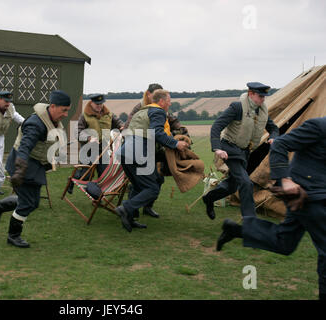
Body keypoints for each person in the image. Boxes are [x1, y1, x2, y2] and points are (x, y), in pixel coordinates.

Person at [215, 117, 326, 300]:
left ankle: (237, 230)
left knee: (284, 243)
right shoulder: (319, 126)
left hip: (317, 194)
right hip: (305, 195)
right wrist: (285, 180)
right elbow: (280, 144)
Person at [0, 90, 71, 248]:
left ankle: (0, 206)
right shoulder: (36, 124)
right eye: (64, 110)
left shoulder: (51, 120)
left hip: (34, 165)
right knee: (29, 203)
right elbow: (25, 147)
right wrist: (20, 171)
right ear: (53, 106)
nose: (65, 114)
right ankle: (13, 236)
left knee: (32, 202)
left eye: (67, 110)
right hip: (23, 165)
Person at [202, 82, 279, 219]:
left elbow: (274, 128)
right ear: (251, 94)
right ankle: (250, 220)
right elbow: (216, 126)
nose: (263, 99)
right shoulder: (237, 107)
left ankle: (209, 198)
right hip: (230, 149)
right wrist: (217, 148)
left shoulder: (262, 110)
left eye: (264, 96)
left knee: (233, 186)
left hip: (245, 152)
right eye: (260, 96)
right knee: (246, 182)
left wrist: (273, 137)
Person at [116, 89, 189, 232]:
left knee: (138, 186)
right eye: (169, 101)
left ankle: (130, 218)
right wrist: (176, 144)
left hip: (125, 153)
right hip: (138, 153)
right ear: (161, 101)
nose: (169, 104)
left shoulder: (142, 111)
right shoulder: (158, 112)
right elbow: (156, 132)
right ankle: (126, 208)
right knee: (152, 187)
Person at [67, 93, 123, 194]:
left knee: (104, 174)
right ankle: (72, 179)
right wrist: (89, 138)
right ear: (91, 103)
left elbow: (119, 124)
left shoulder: (109, 115)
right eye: (97, 104)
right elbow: (78, 132)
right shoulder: (84, 116)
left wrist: (122, 127)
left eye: (101, 104)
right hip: (89, 150)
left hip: (104, 150)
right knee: (86, 176)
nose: (99, 106)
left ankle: (98, 197)